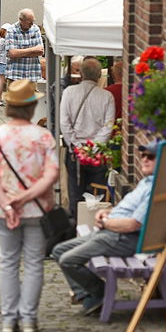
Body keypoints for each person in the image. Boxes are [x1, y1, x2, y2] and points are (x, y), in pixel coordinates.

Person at [0, 80, 58, 332]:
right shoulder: (43, 136)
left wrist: (7, 203)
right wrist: (27, 197)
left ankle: (8, 318)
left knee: (8, 262)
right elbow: (51, 175)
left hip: (4, 210)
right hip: (36, 209)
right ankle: (28, 318)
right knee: (35, 263)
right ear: (31, 107)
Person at [52, 141, 158, 316]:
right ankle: (88, 295)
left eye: (151, 157)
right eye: (143, 155)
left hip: (123, 238)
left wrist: (106, 223)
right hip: (110, 230)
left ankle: (99, 292)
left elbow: (134, 224)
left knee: (68, 259)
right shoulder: (146, 182)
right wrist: (108, 212)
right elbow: (128, 210)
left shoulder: (155, 187)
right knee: (58, 250)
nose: (145, 160)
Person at [59, 57, 116, 216]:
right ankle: (93, 226)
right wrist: (94, 147)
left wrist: (77, 146)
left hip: (74, 154)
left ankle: (76, 227)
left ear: (81, 74)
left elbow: (64, 123)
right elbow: (108, 126)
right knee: (97, 198)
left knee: (75, 195)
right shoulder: (107, 97)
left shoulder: (69, 93)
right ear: (99, 76)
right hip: (98, 155)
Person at [2, 8, 44, 86]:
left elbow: (40, 51)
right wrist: (33, 49)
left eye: (33, 21)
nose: (32, 24)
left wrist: (20, 52)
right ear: (21, 20)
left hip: (32, 76)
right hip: (15, 77)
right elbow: (12, 53)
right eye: (29, 22)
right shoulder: (11, 30)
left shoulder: (35, 29)